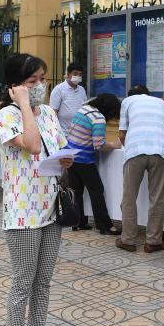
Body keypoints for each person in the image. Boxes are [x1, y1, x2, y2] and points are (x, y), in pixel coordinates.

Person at [0, 54, 71, 326]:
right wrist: (25, 104)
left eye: (42, 78)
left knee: (43, 281)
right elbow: (32, 145)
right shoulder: (6, 116)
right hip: (23, 212)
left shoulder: (50, 113)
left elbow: (58, 147)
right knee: (23, 282)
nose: (41, 85)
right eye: (32, 81)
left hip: (51, 207)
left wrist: (66, 158)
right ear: (16, 86)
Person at [115, 85, 164, 253]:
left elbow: (122, 134)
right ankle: (153, 242)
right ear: (148, 94)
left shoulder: (127, 102)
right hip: (160, 152)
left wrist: (132, 145)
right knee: (157, 198)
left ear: (130, 95)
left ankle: (127, 240)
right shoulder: (162, 103)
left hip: (135, 151)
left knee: (129, 197)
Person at [66, 93, 122, 235]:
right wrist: (114, 145)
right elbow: (99, 145)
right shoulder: (98, 118)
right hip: (84, 159)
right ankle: (105, 225)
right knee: (97, 191)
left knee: (77, 191)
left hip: (70, 156)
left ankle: (78, 222)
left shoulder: (83, 109)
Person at [49, 62, 87, 135]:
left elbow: (84, 108)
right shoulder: (59, 89)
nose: (78, 76)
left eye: (80, 75)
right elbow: (53, 112)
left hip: (79, 133)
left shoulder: (82, 90)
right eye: (75, 74)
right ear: (68, 74)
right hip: (63, 133)